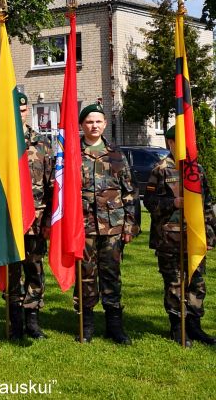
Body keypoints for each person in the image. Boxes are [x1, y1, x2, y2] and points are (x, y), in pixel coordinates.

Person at [143, 126, 216, 346]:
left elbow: (208, 205)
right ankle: (177, 327)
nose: (183, 146)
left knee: (197, 283)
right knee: (174, 284)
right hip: (169, 239)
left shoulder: (198, 171)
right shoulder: (160, 170)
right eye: (178, 141)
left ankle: (194, 326)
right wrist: (172, 203)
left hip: (195, 238)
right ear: (170, 143)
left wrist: (210, 237)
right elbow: (149, 202)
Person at [75, 102, 138, 344]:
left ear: (104, 124)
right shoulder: (73, 155)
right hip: (83, 226)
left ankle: (114, 326)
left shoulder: (116, 154)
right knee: (86, 276)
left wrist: (130, 226)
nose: (94, 125)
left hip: (113, 226)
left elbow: (130, 192)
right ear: (82, 125)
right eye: (89, 121)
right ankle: (87, 325)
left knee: (111, 275)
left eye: (98, 121)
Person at [7, 94, 54, 340]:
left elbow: (51, 185)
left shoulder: (42, 143)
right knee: (12, 271)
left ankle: (32, 320)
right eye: (16, 108)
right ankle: (14, 320)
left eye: (23, 108)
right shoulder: (2, 142)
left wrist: (47, 221)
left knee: (34, 269)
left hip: (35, 221)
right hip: (9, 221)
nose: (20, 112)